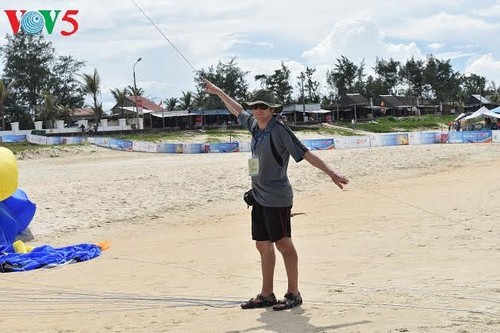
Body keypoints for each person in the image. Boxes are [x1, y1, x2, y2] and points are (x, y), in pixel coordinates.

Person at [203, 80, 349, 311]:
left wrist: (331, 173)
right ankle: (266, 294)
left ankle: (293, 293)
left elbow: (304, 153)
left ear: (273, 110)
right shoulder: (253, 124)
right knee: (262, 245)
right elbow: (237, 109)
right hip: (258, 196)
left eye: (264, 106)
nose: (258, 109)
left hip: (277, 197)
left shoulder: (279, 130)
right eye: (255, 106)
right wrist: (219, 92)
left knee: (283, 243)